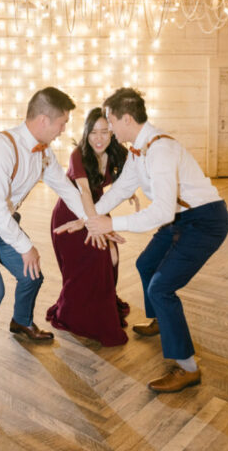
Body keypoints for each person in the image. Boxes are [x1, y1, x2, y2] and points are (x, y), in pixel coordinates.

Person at [58, 88, 228, 393]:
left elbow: (161, 212)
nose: (108, 127)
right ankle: (161, 321)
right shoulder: (139, 150)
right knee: (145, 263)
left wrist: (112, 223)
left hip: (205, 221)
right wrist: (88, 221)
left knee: (161, 287)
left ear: (126, 118)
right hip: (179, 218)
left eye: (110, 120)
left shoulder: (160, 150)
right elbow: (121, 190)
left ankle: (188, 367)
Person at [0, 87, 99, 397]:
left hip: (0, 222)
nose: (64, 130)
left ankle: (21, 322)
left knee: (33, 274)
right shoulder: (0, 149)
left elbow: (67, 189)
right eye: (63, 123)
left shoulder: (43, 152)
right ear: (44, 120)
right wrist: (25, 246)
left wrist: (95, 219)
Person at [46, 107, 132, 347]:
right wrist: (95, 227)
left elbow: (131, 177)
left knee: (111, 259)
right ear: (86, 133)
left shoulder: (117, 153)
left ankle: (100, 307)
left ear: (112, 133)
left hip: (98, 210)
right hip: (71, 213)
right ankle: (79, 317)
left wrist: (132, 193)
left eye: (105, 132)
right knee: (94, 260)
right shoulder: (78, 155)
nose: (99, 138)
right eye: (93, 132)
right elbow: (84, 191)